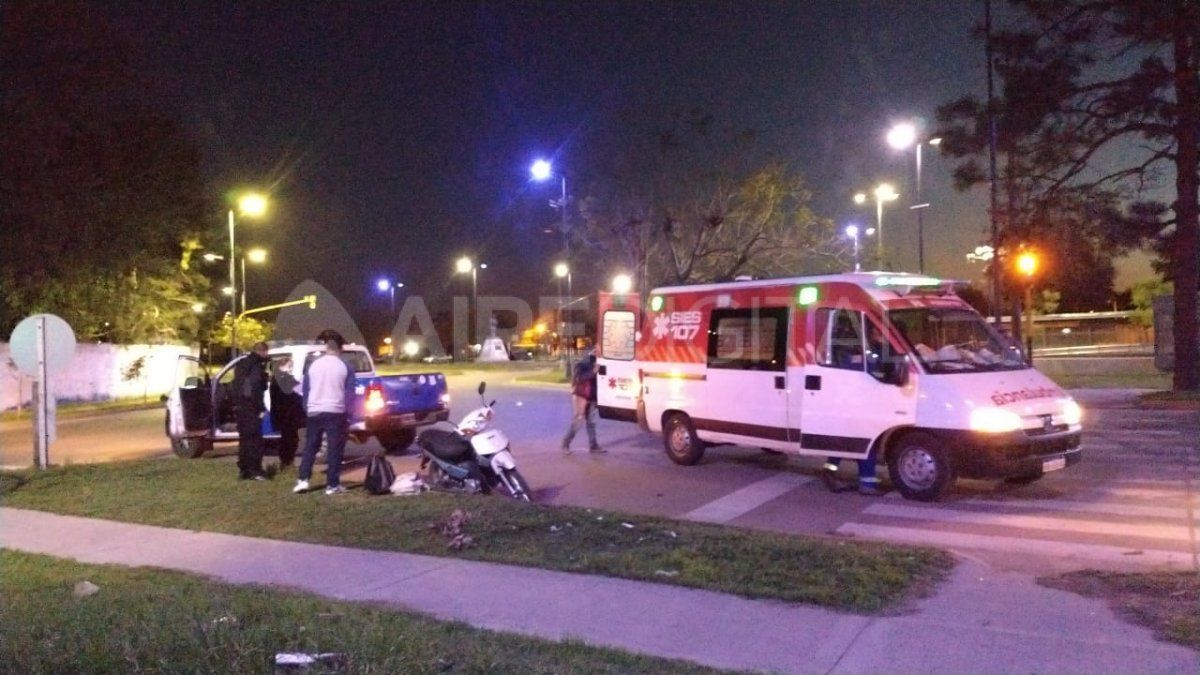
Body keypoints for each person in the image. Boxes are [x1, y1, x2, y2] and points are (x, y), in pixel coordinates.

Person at [294, 334, 356, 495]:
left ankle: (303, 480)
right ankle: (332, 485)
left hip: (314, 410)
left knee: (311, 446)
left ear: (326, 348)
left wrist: (307, 409)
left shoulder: (313, 365)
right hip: (336, 410)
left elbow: (306, 390)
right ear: (340, 349)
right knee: (335, 448)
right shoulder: (346, 366)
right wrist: (349, 415)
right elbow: (349, 394)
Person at [232, 341, 270, 481]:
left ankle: (244, 469)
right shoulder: (256, 365)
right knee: (255, 440)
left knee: (244, 440)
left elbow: (236, 385)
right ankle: (255, 470)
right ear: (263, 351)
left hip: (241, 407)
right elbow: (254, 388)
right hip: (251, 408)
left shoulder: (242, 364)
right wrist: (260, 408)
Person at [561, 352, 603, 454]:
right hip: (581, 396)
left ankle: (593, 446)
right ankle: (565, 444)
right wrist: (593, 371)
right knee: (578, 421)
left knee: (591, 422)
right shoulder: (582, 365)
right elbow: (579, 378)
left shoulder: (600, 365)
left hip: (592, 398)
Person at [269, 355, 304, 468]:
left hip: (284, 414)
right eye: (289, 366)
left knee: (288, 438)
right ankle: (287, 462)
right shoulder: (282, 378)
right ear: (283, 366)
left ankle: (287, 462)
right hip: (287, 414)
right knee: (289, 440)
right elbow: (294, 393)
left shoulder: (278, 378)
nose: (291, 368)